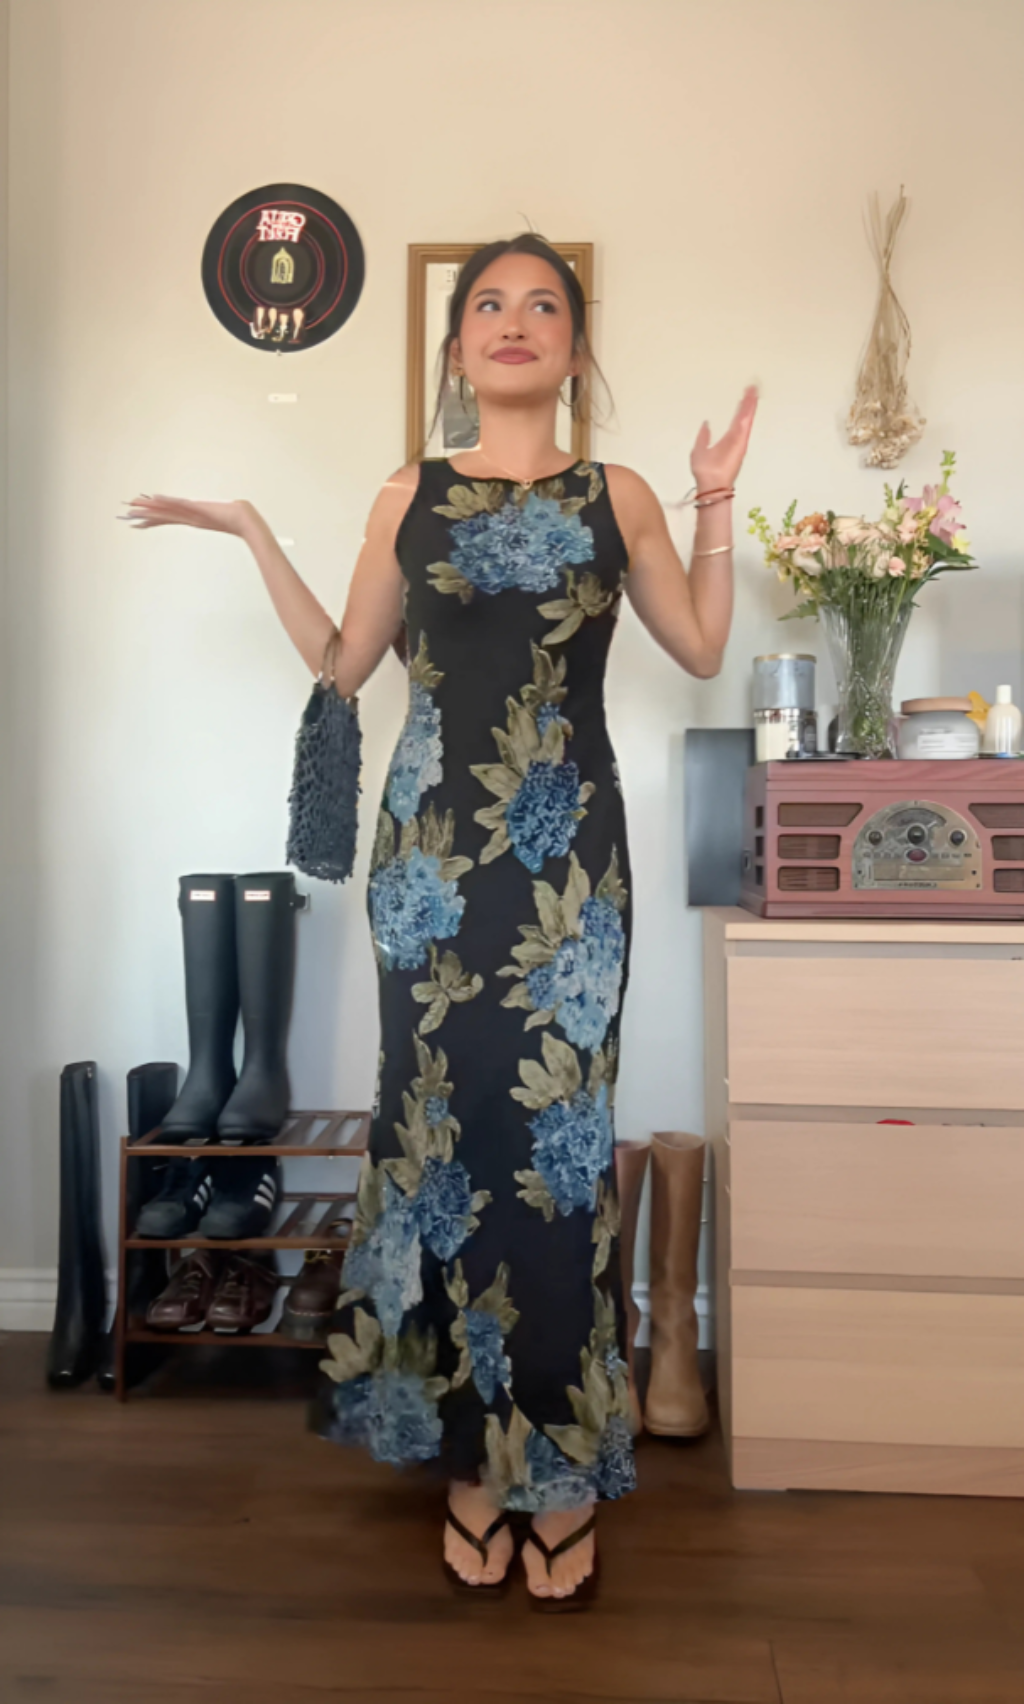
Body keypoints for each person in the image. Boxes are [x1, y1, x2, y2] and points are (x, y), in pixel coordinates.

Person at [122, 233, 757, 1609]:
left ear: (574, 347)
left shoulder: (617, 494)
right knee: (438, 1143)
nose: (515, 322)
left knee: (557, 1153)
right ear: (459, 345)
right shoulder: (407, 493)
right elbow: (343, 662)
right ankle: (470, 1460)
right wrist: (255, 531)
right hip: (428, 866)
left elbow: (703, 648)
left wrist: (714, 503)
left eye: (544, 305)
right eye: (490, 305)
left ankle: (560, 1468)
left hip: (568, 861)